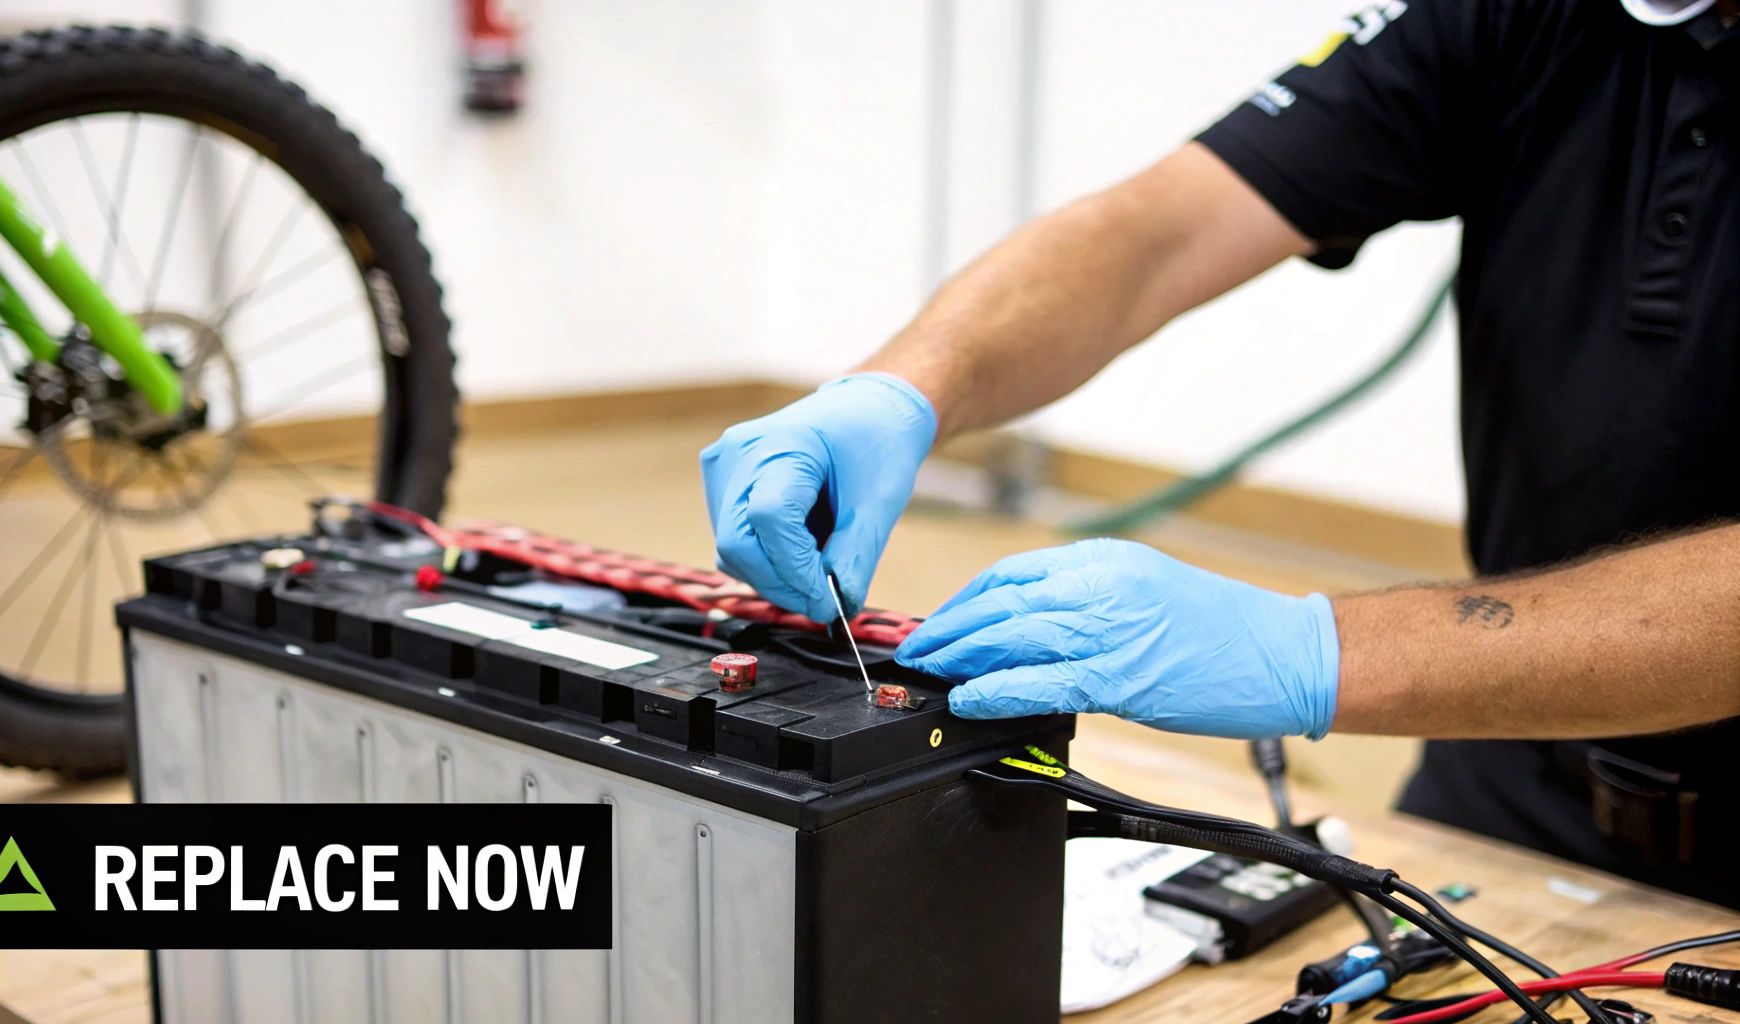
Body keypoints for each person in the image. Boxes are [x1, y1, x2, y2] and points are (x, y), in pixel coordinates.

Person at [700, 0, 1740, 907]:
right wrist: (899, 389)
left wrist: (1313, 652)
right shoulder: (1521, 16)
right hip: (1512, 770)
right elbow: (1161, 226)